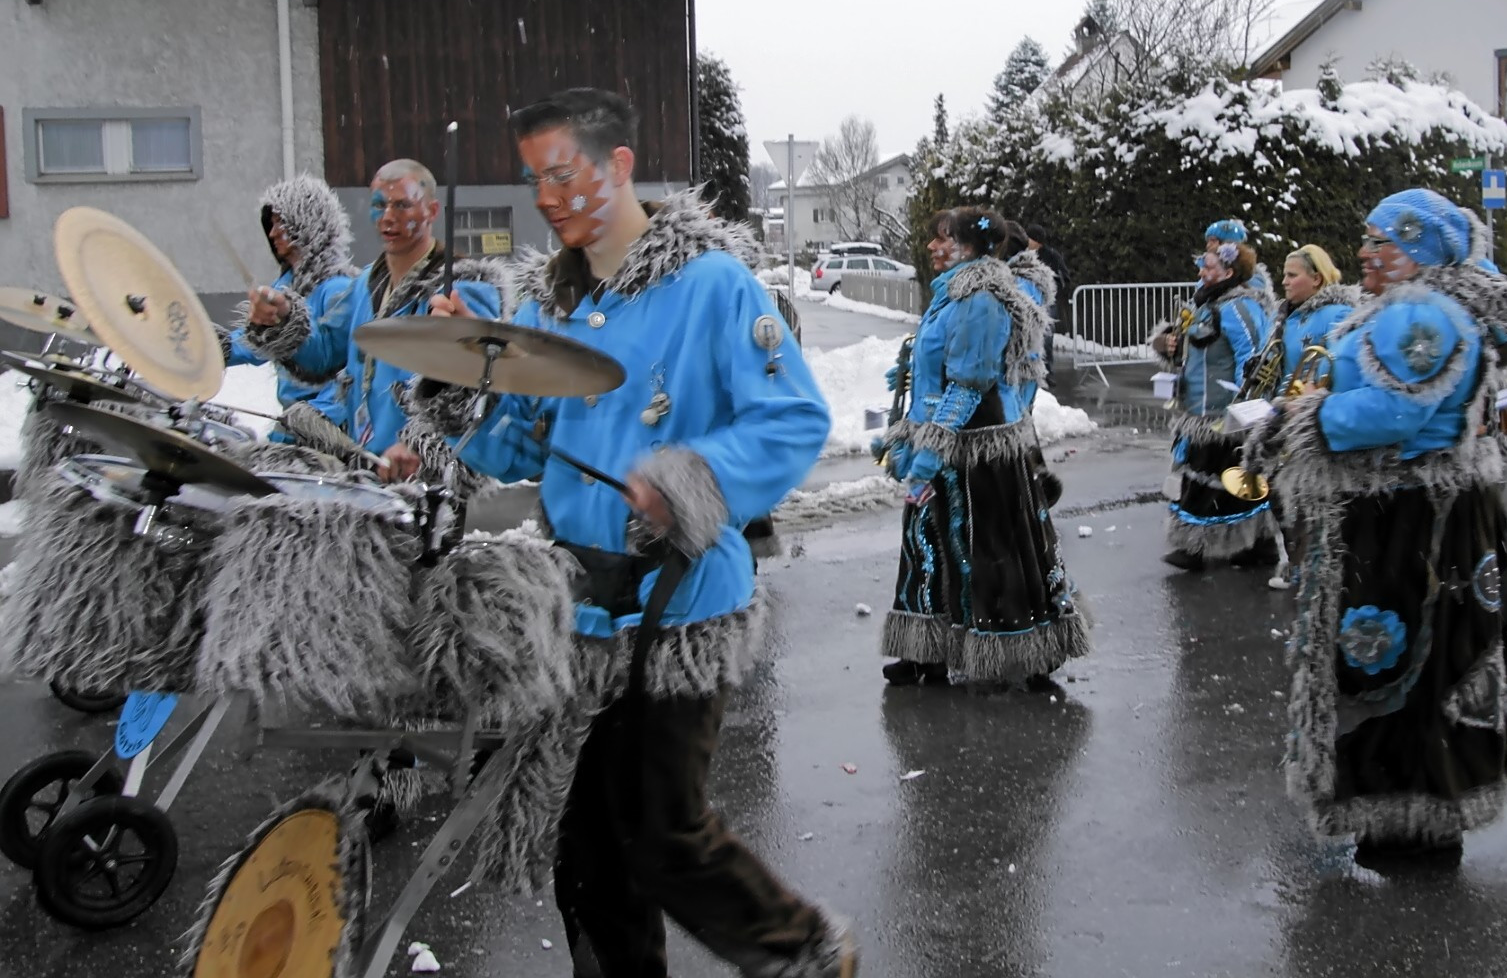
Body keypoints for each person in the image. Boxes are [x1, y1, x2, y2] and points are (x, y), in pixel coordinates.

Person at [391, 88, 857, 977]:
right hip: (583, 613)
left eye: (564, 174)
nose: (549, 197)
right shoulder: (549, 306)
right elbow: (527, 444)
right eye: (535, 180)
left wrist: (690, 479)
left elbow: (793, 418)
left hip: (681, 609)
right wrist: (458, 382)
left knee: (660, 832)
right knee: (589, 858)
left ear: (619, 165)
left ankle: (805, 953)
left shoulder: (712, 285)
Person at [1241, 188, 1507, 867]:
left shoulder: (1423, 313)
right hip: (1412, 505)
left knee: (1410, 664)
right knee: (1422, 664)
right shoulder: (1411, 307)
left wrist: (1304, 419)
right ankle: (1408, 817)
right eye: (1367, 240)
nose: (1364, 253)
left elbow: (1393, 412)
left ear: (1417, 250)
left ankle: (1417, 823)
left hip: (1411, 513)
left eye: (1380, 242)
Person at [876, 207, 1089, 689]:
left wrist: (929, 456)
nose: (933, 246)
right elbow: (934, 369)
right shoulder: (950, 294)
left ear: (970, 247)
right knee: (926, 549)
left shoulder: (982, 300)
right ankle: (925, 651)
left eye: (943, 238)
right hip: (941, 440)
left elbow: (969, 385)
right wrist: (909, 410)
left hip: (977, 452)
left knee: (989, 556)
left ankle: (1023, 651)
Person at [243, 158, 508, 465]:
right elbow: (324, 355)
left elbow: (479, 396)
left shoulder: (463, 288)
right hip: (368, 465)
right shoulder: (365, 284)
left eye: (402, 205)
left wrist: (421, 445)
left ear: (432, 211)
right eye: (380, 205)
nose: (388, 217)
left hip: (427, 476)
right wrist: (283, 319)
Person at [1153, 241, 1275, 572]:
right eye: (1202, 266)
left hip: (1222, 414)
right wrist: (1168, 345)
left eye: (1209, 267)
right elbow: (1192, 351)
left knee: (1222, 481)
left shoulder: (1240, 308)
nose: (1201, 272)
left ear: (1229, 272)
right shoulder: (1207, 303)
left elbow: (1253, 360)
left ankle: (1203, 548)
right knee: (1215, 480)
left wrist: (1243, 409)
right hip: (1199, 410)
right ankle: (1254, 545)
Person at [220, 173, 355, 445]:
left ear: (306, 223)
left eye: (279, 222)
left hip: (328, 435)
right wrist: (218, 347)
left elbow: (348, 369)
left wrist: (316, 417)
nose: (272, 233)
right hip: (290, 427)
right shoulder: (285, 285)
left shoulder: (338, 289)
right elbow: (260, 344)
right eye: (270, 225)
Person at [1260, 245, 1358, 588]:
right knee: (1281, 494)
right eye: (1284, 275)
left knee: (1310, 496)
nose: (1284, 282)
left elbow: (1342, 366)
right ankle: (1297, 560)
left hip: (1312, 419)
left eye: (1292, 275)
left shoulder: (1338, 313)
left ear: (1316, 279)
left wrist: (1311, 397)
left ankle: (1313, 568)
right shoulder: (1287, 315)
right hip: (1284, 413)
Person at [997, 218, 1054, 410]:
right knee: (1021, 415)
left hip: (1016, 366)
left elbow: (1017, 325)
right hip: (1027, 362)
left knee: (1013, 415)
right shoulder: (1028, 276)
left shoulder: (1016, 281)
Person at [1206, 217, 1279, 318]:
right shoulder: (1210, 273)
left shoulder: (1252, 277)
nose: (1208, 246)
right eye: (1208, 241)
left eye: (1213, 241)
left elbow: (1249, 313)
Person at [1025, 222, 1070, 381]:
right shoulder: (1022, 254)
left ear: (1037, 240)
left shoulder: (1051, 255)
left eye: (1030, 238)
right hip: (1027, 300)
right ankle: (1029, 370)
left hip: (1047, 301)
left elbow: (1064, 277)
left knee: (1047, 337)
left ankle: (1047, 371)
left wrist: (1054, 287)